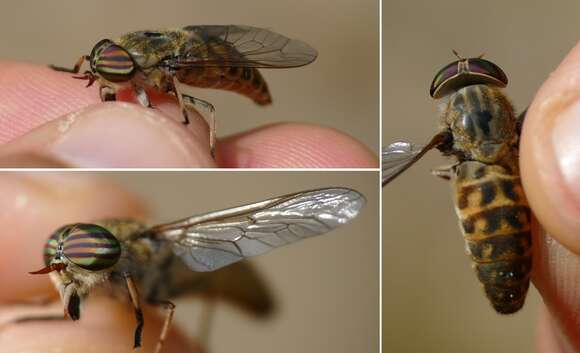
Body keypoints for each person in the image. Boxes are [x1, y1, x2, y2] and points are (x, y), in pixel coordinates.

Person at [0, 63, 376, 168]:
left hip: (215, 62)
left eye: (109, 67)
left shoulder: (159, 71)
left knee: (203, 110)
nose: (98, 75)